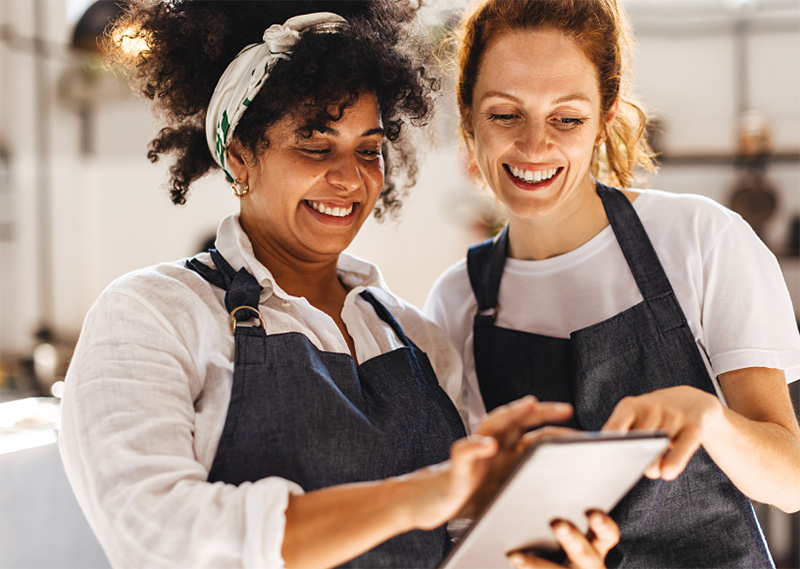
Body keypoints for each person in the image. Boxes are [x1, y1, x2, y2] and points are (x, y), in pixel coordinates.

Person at [58, 2, 620, 568]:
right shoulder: (153, 315)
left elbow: (458, 542)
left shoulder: (418, 339)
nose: (350, 177)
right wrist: (419, 494)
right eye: (314, 145)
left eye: (368, 150)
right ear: (239, 159)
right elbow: (160, 535)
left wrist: (534, 541)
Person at [425, 1, 800, 567]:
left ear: (604, 119)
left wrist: (710, 418)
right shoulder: (459, 302)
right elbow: (472, 523)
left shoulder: (701, 240)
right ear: (468, 115)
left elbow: (791, 481)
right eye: (505, 114)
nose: (533, 147)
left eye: (567, 119)